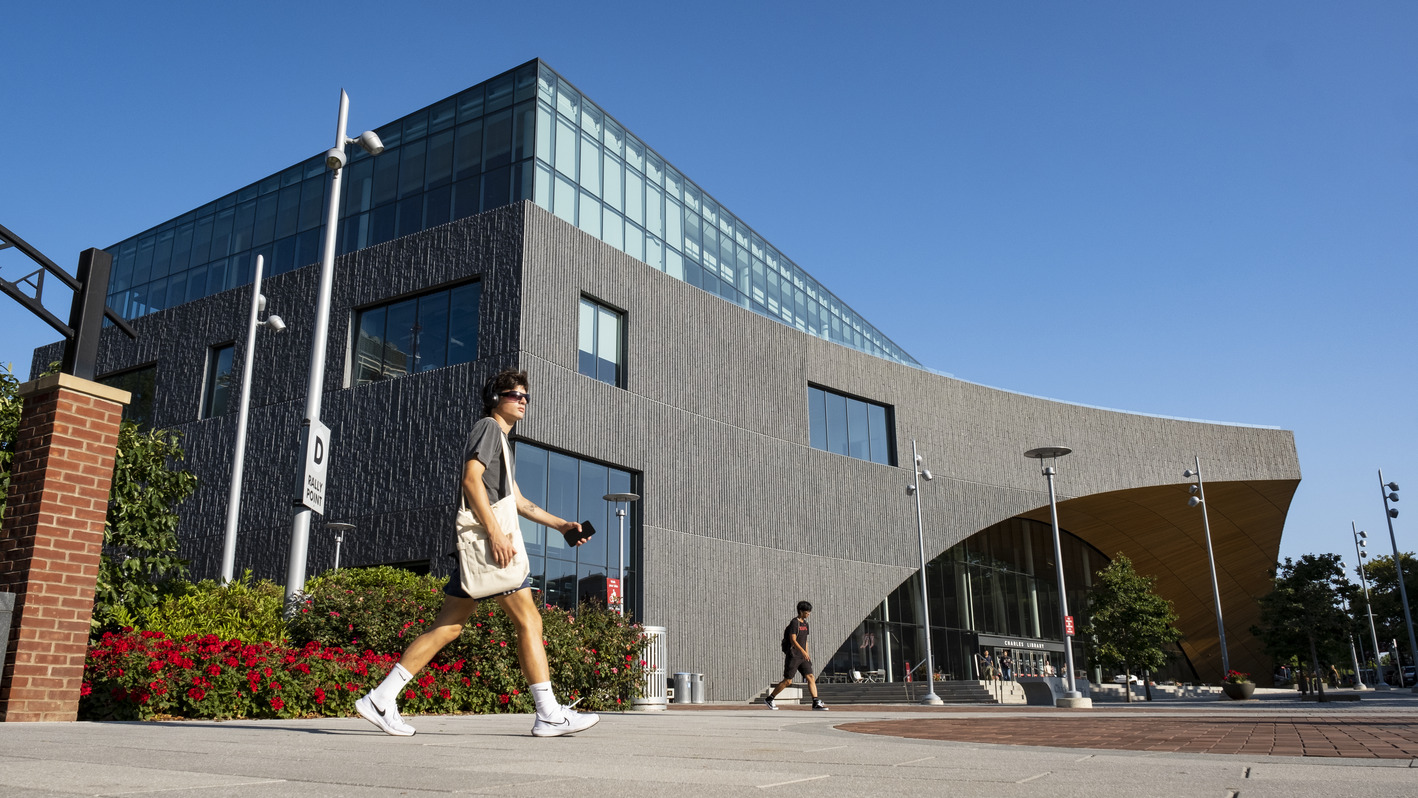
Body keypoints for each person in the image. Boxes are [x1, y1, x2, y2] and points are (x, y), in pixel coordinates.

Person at [356, 369, 598, 738]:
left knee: (447, 627)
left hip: (481, 548)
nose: (522, 401)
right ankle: (549, 713)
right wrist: (496, 534)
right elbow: (471, 480)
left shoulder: (501, 441)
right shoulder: (488, 428)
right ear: (494, 397)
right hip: (490, 547)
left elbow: (517, 500)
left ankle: (381, 698)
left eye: (525, 396)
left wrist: (562, 525)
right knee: (529, 621)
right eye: (514, 394)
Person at [764, 601, 828, 711]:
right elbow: (793, 640)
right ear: (801, 611)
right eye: (807, 612)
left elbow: (805, 640)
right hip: (794, 655)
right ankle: (770, 698)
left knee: (810, 677)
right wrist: (802, 652)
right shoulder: (794, 623)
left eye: (809, 612)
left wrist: (806, 653)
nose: (809, 614)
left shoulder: (805, 624)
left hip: (803, 656)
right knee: (788, 681)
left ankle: (815, 702)